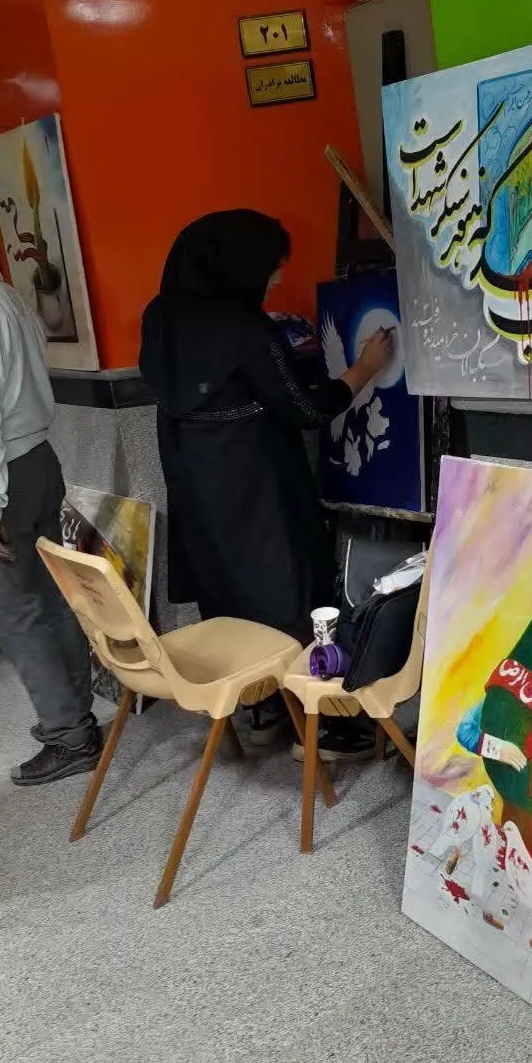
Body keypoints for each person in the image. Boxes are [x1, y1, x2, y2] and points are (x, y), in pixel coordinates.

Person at [139, 209, 393, 756]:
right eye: (271, 267)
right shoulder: (245, 328)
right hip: (259, 489)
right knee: (292, 593)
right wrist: (366, 367)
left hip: (198, 488)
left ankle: (265, 709)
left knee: (230, 595)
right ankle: (320, 728)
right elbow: (306, 409)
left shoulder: (160, 318)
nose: (276, 279)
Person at [0, 195, 97, 785]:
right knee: (53, 598)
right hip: (39, 461)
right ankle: (75, 714)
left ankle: (69, 735)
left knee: (15, 613)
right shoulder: (11, 298)